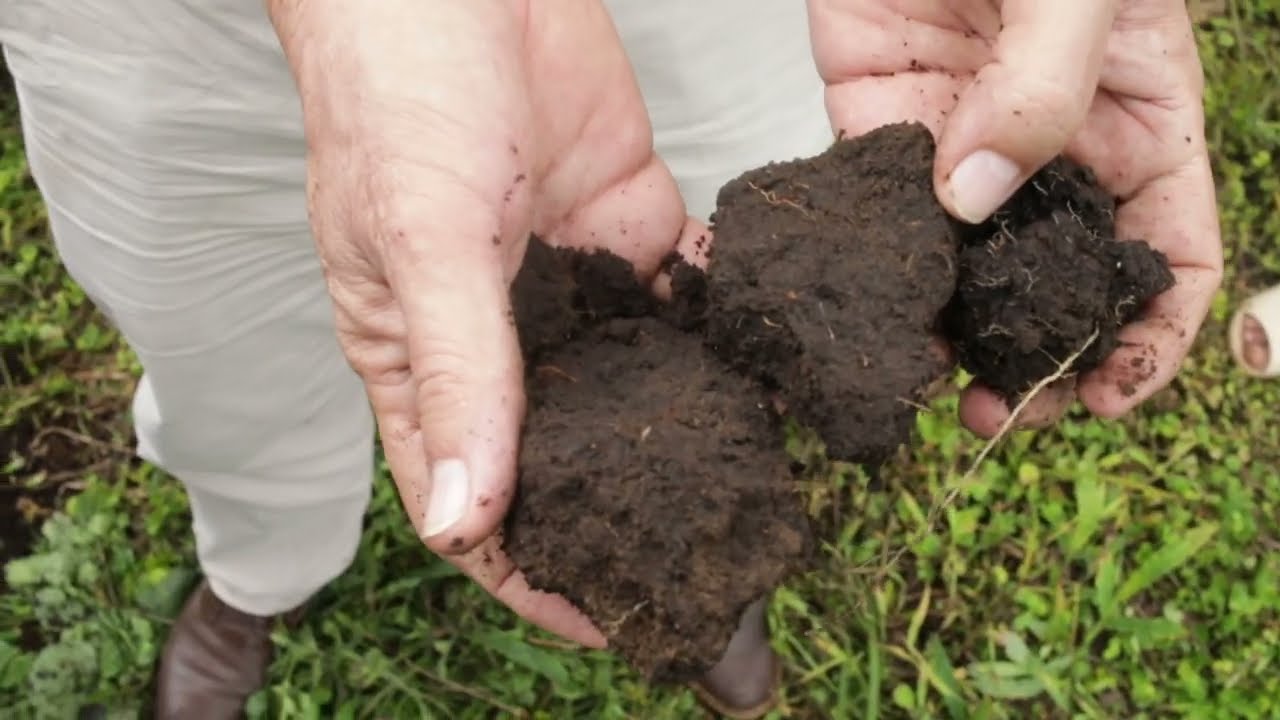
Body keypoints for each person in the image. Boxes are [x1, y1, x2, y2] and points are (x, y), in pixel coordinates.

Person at [0, 1, 1221, 717]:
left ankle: (711, 548)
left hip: (696, 23)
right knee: (236, 381)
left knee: (690, 258)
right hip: (171, 32)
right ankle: (259, 569)